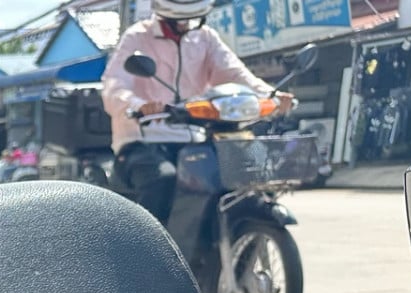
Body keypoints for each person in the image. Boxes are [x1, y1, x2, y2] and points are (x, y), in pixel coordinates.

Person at [102, 0, 293, 224]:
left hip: (196, 136)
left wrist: (271, 95)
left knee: (252, 172)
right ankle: (147, 245)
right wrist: (138, 105)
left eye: (191, 19)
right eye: (178, 21)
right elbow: (114, 85)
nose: (185, 25)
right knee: (163, 179)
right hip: (145, 138)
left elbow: (235, 73)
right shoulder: (137, 37)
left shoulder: (205, 37)